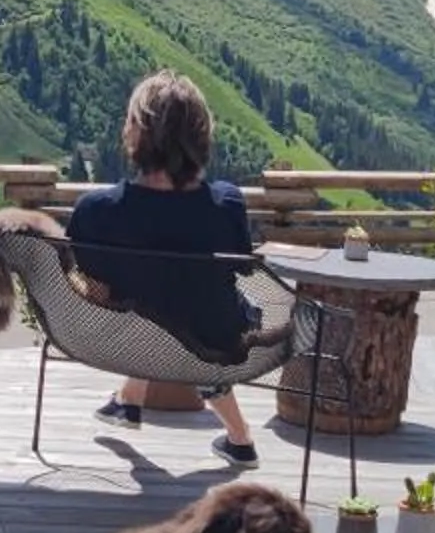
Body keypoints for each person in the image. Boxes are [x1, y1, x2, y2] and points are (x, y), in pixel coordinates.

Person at [64, 71, 277, 468]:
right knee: (201, 314)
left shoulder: (96, 211)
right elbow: (244, 267)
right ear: (201, 135)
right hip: (213, 341)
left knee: (152, 312)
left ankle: (128, 399)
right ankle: (239, 437)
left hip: (124, 343)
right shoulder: (226, 203)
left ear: (133, 132)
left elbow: (89, 288)